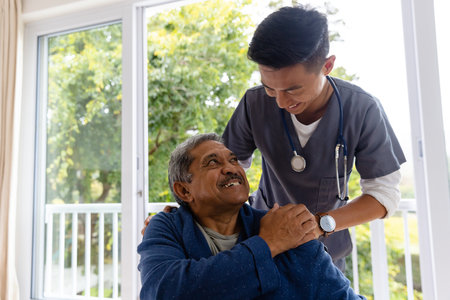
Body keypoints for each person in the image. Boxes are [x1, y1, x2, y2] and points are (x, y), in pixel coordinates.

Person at [222, 5, 406, 270]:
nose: (281, 102)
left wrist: (321, 224)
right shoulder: (255, 103)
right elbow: (225, 170)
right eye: (269, 87)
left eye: (293, 89)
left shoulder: (363, 109)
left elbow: (383, 195)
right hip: (262, 248)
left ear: (327, 66)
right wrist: (184, 216)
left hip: (326, 255)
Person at [138, 133, 365, 299]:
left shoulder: (287, 227)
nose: (231, 168)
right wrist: (268, 245)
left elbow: (340, 295)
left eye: (234, 160)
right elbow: (162, 292)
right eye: (213, 162)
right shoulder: (166, 227)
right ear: (184, 191)